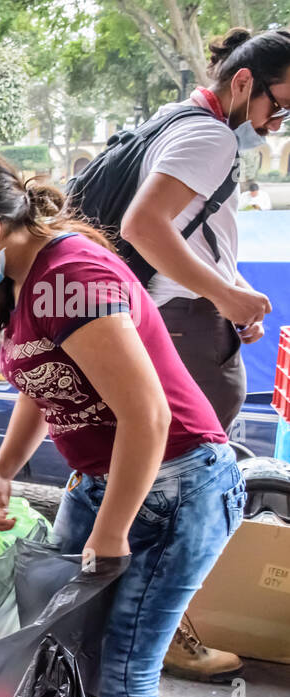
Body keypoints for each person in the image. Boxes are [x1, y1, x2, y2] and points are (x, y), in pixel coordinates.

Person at [0, 148, 246, 697]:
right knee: (62, 653)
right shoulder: (22, 280)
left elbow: (147, 415)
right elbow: (44, 383)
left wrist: (111, 532)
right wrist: (4, 470)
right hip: (97, 484)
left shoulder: (70, 274)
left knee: (119, 673)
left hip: (175, 486)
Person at [121, 28, 290, 432]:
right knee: (189, 467)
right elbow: (142, 226)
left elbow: (190, 229)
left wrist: (233, 283)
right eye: (280, 107)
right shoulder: (211, 136)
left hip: (165, 316)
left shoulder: (173, 117)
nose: (277, 126)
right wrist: (223, 294)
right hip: (185, 323)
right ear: (244, 82)